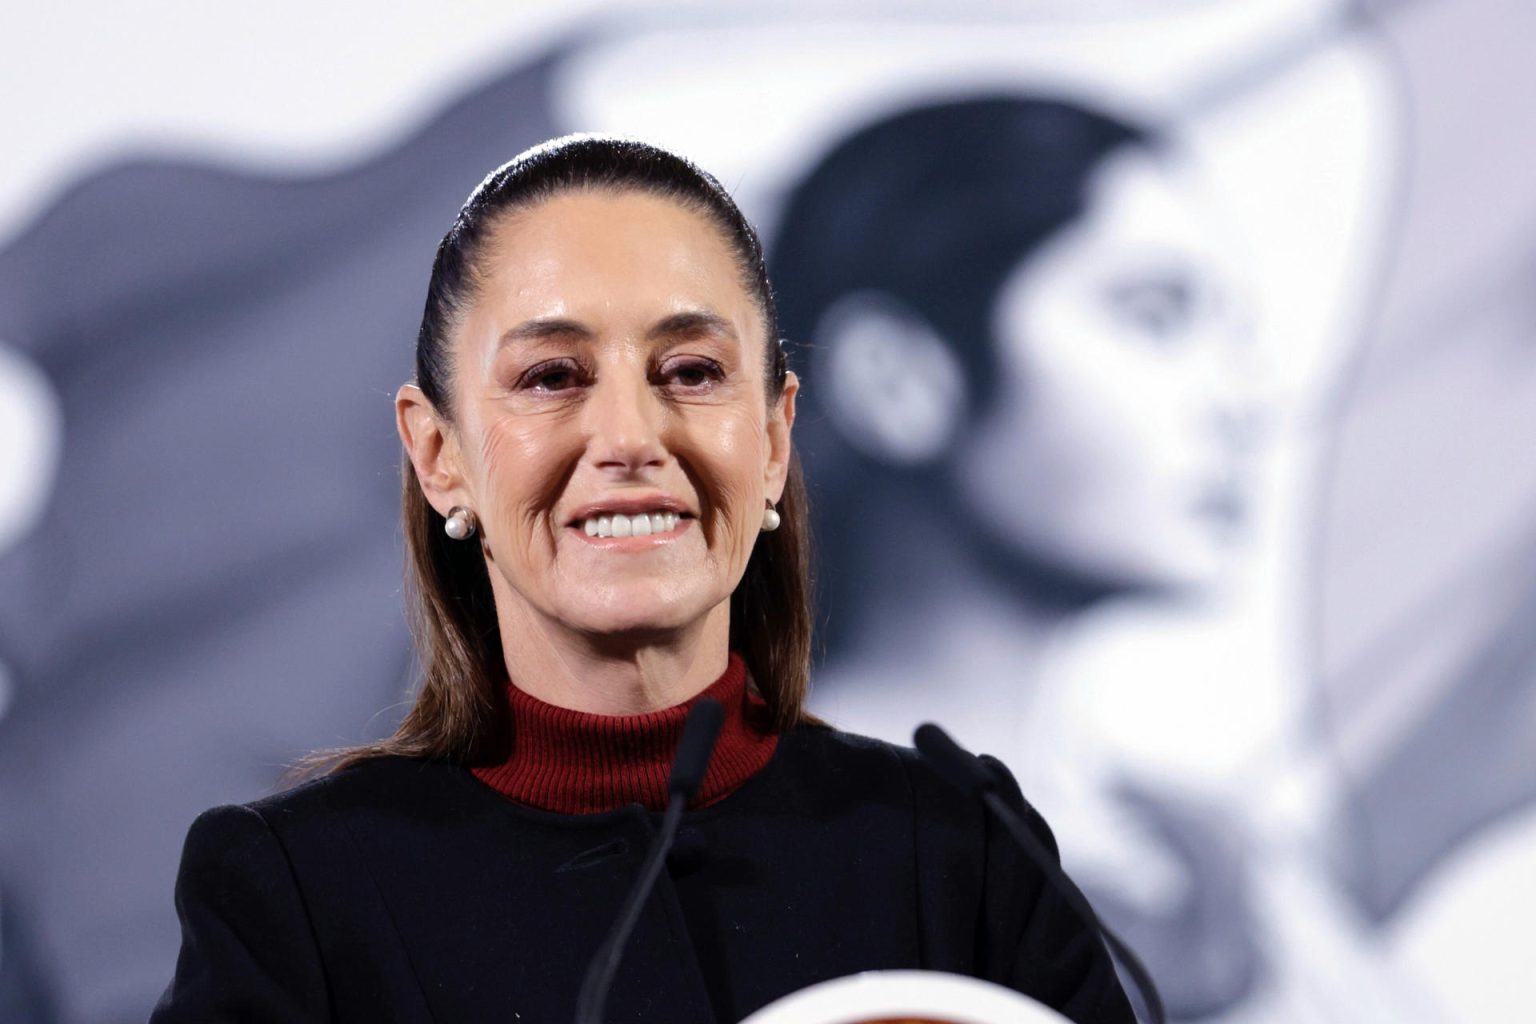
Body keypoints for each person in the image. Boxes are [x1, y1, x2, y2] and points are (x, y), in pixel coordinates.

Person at [148, 135, 1135, 1023]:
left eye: (693, 372)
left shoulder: (958, 849)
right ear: (440, 454)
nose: (629, 438)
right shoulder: (297, 894)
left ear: (775, 439)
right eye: (550, 377)